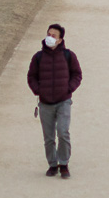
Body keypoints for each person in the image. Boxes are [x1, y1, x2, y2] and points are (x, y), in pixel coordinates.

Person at [27, 24, 83, 178]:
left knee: (63, 132)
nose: (50, 38)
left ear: (60, 40)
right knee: (49, 137)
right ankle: (52, 164)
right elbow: (31, 76)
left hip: (63, 101)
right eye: (48, 34)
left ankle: (63, 163)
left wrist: (68, 88)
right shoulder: (38, 57)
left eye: (54, 36)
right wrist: (38, 90)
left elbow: (77, 74)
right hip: (45, 103)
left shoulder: (68, 55)